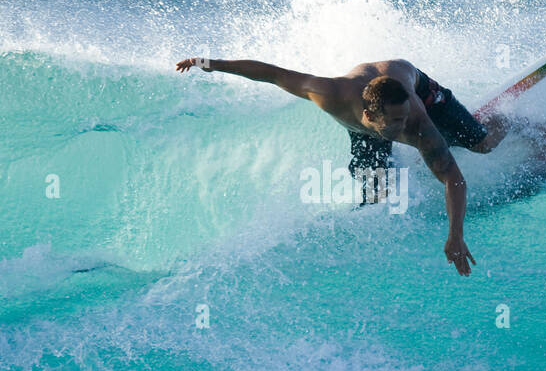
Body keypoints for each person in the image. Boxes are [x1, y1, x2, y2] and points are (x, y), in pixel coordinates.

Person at [174, 56, 510, 276]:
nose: (403, 127)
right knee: (377, 198)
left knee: (482, 145)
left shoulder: (415, 121)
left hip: (419, 89)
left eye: (404, 120)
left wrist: (455, 235)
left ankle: (508, 120)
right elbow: (273, 74)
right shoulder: (327, 93)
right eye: (394, 123)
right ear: (368, 117)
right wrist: (211, 63)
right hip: (367, 117)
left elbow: (454, 179)